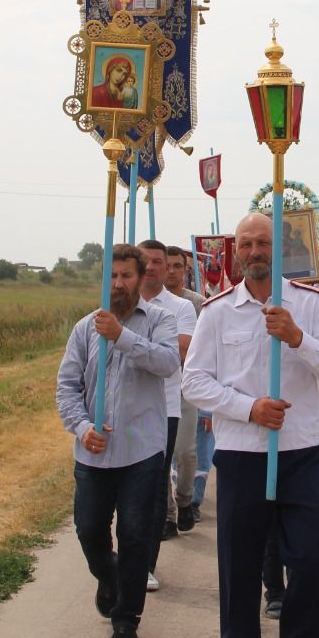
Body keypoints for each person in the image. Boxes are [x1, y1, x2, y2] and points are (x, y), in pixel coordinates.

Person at [182, 212, 319, 638]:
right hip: (241, 455)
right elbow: (195, 383)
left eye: (263, 243)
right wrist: (248, 407)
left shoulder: (310, 304)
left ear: (279, 250)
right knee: (237, 570)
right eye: (246, 244)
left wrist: (298, 338)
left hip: (298, 454)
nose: (254, 251)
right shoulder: (216, 313)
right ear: (235, 252)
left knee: (315, 564)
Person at [54, 245, 181, 638]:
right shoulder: (84, 329)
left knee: (135, 535)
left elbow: (166, 363)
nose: (119, 284)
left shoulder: (159, 320)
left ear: (141, 278)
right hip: (93, 451)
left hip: (141, 450)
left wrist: (122, 337)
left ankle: (126, 619)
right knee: (89, 529)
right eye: (112, 276)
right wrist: (81, 426)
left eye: (127, 276)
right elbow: (66, 387)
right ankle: (107, 575)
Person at [137, 239, 197, 588]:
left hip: (167, 405)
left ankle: (146, 563)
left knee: (157, 483)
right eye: (146, 261)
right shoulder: (118, 304)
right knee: (130, 487)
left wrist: (130, 342)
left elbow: (178, 353)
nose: (153, 267)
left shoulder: (181, 308)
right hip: (126, 407)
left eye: (159, 262)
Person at [165, 246, 207, 531]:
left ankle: (185, 500)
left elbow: (202, 348)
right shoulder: (149, 302)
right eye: (166, 265)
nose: (171, 271)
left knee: (185, 452)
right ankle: (166, 515)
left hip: (186, 384)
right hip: (156, 386)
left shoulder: (197, 304)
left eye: (177, 266)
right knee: (159, 455)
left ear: (185, 270)